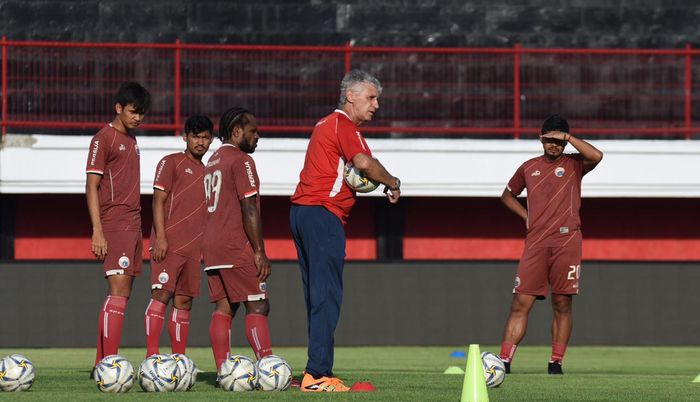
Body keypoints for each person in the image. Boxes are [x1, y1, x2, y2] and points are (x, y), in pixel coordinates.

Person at [290, 70, 401, 392]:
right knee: (327, 297)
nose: (376, 105)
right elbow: (364, 164)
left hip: (302, 213)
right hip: (323, 215)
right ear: (350, 96)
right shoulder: (343, 125)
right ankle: (317, 375)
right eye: (371, 97)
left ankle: (313, 370)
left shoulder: (324, 124)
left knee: (316, 296)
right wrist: (392, 182)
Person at [498, 115, 603, 375]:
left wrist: (567, 137)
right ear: (540, 138)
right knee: (520, 303)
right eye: (549, 139)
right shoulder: (528, 167)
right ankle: (504, 361)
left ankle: (555, 362)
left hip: (567, 241)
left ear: (565, 142)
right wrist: (526, 216)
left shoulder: (575, 164)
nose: (553, 145)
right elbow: (507, 196)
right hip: (535, 242)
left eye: (558, 141)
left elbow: (597, 155)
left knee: (562, 304)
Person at [201, 107, 274, 374]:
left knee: (224, 307)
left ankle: (224, 371)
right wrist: (259, 251)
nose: (258, 136)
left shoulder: (212, 160)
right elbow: (249, 207)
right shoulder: (241, 160)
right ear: (236, 131)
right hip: (235, 244)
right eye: (253, 130)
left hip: (211, 247)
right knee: (258, 303)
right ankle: (269, 370)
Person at [85, 81, 151, 373]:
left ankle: (102, 362)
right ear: (119, 108)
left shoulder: (132, 141)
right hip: (114, 223)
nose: (138, 118)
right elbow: (91, 186)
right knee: (119, 292)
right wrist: (97, 230)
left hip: (134, 223)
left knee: (120, 293)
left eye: (142, 114)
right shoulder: (104, 138)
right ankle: (109, 365)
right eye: (133, 112)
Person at [144, 115, 213, 357]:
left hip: (194, 250)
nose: (200, 142)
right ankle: (151, 356)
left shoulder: (209, 173)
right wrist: (160, 237)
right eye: (196, 137)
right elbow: (157, 201)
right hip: (169, 243)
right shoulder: (170, 162)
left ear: (211, 140)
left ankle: (178, 359)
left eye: (205, 137)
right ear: (185, 137)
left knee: (184, 302)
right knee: (161, 295)